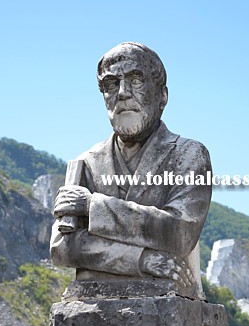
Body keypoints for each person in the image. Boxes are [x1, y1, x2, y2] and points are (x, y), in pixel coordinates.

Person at [51, 42, 212, 298]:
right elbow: (63, 246)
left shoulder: (189, 155)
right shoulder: (86, 163)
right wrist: (141, 259)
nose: (122, 93)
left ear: (162, 95)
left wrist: (93, 207)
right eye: (111, 84)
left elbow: (180, 233)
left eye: (135, 80)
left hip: (174, 302)